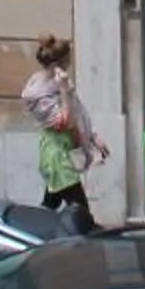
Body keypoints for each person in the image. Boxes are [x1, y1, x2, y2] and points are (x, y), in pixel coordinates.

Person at [21, 34, 106, 219]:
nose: (70, 62)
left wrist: (93, 136)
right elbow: (64, 122)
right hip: (57, 156)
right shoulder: (41, 91)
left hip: (62, 151)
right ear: (61, 61)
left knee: (50, 205)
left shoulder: (57, 83)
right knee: (81, 212)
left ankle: (37, 235)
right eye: (68, 58)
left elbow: (78, 111)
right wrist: (64, 90)